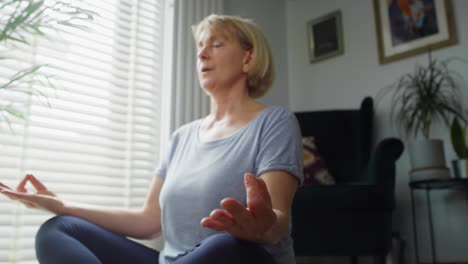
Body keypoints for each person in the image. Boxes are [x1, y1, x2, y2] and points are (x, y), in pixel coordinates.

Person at [0, 14, 303, 264]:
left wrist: (260, 228)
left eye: (217, 43)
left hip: (236, 258)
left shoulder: (274, 122)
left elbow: (276, 220)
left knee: (225, 246)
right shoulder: (181, 137)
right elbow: (148, 221)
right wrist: (62, 205)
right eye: (200, 46)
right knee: (58, 229)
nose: (202, 53)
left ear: (248, 58)